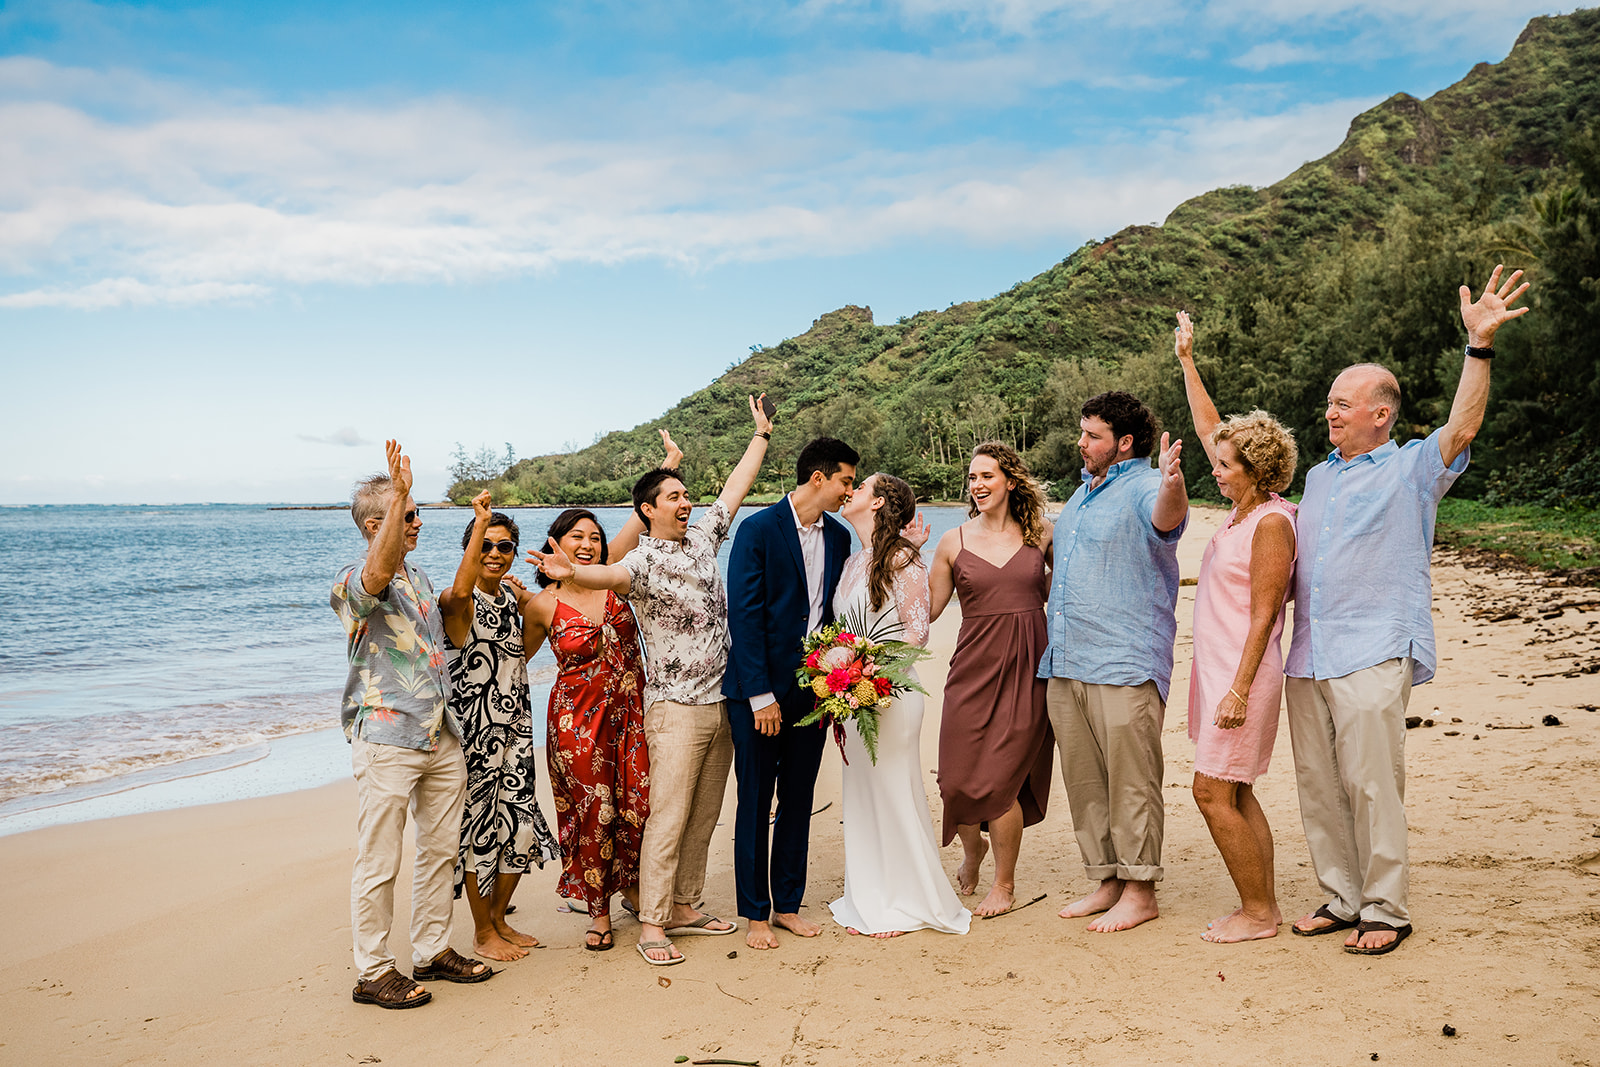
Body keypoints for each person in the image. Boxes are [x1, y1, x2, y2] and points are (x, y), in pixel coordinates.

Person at [1286, 266, 1530, 956]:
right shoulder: (1317, 476)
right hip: (1309, 652)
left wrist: (1478, 345)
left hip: (1373, 646)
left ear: (1380, 413)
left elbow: (1465, 423)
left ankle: (1386, 908)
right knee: (1319, 785)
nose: (1330, 413)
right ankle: (1341, 895)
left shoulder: (1414, 467)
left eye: (1343, 404)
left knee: (1371, 782)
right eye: (1329, 403)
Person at [529, 395, 774, 966]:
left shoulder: (706, 537)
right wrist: (571, 571)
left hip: (723, 701)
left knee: (705, 811)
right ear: (648, 510)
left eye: (687, 495)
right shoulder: (641, 562)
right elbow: (608, 573)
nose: (687, 502)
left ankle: (686, 903)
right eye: (675, 497)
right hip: (673, 708)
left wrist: (759, 438)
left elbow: (734, 491)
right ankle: (654, 923)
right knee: (667, 814)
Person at [330, 440, 492, 1010]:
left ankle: (431, 950)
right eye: (409, 513)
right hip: (386, 734)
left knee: (440, 849)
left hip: (439, 731)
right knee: (380, 857)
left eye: (416, 511)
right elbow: (375, 575)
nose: (419, 521)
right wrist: (398, 491)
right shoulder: (354, 578)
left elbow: (459, 599)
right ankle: (374, 970)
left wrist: (479, 531)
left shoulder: (419, 578)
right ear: (378, 523)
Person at [520, 430, 682, 951]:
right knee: (593, 813)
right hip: (577, 723)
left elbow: (640, 517)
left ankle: (636, 890)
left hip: (632, 713)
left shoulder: (611, 576)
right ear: (556, 545)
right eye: (576, 538)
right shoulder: (542, 605)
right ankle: (598, 911)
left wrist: (669, 463)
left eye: (594, 537)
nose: (588, 545)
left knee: (641, 803)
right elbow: (516, 657)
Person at [1039, 393, 1189, 933]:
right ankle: (1107, 880)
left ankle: (1140, 889)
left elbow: (1166, 518)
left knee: (1132, 780)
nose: (1081, 442)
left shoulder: (1148, 487)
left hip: (1125, 660)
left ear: (1124, 443)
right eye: (1082, 432)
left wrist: (1174, 485)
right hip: (1068, 659)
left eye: (1092, 435)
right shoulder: (1081, 495)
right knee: (1085, 782)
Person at [1173, 311, 1299, 944]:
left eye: (1226, 465)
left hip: (1243, 676)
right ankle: (1263, 904)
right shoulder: (1241, 513)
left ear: (1255, 468)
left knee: (1211, 792)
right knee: (1238, 791)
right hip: (1221, 672)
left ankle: (1257, 912)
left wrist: (1239, 689)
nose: (1215, 470)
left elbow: (1266, 615)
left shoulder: (1271, 524)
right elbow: (1208, 428)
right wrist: (1188, 361)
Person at [723, 436, 859, 951]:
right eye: (846, 480)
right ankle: (754, 913)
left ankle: (786, 906)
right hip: (757, 694)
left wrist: (839, 682)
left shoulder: (841, 538)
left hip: (814, 693)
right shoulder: (757, 530)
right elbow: (745, 615)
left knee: (798, 799)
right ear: (818, 478)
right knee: (755, 802)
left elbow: (835, 613)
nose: (849, 490)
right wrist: (760, 696)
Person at [829, 473, 971, 938]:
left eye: (861, 487)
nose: (851, 492)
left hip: (890, 692)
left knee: (893, 791)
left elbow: (917, 630)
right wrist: (836, 664)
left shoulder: (903, 560)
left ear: (879, 503)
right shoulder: (855, 562)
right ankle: (871, 895)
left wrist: (867, 665)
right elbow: (845, 628)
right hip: (855, 697)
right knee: (865, 795)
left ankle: (906, 901)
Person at [926, 442, 1054, 918]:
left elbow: (1066, 594)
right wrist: (896, 560)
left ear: (1010, 481)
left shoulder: (1040, 533)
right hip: (972, 670)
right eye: (973, 478)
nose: (977, 486)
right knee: (956, 780)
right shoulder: (953, 541)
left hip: (1028, 671)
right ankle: (972, 849)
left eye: (987, 476)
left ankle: (1004, 884)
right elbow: (928, 612)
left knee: (1002, 782)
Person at [439, 493, 559, 962]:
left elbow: (534, 638)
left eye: (504, 546)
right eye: (483, 544)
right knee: (481, 829)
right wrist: (479, 521)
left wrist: (530, 594)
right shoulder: (454, 602)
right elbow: (462, 593)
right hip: (474, 733)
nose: (494, 553)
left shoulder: (511, 596)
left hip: (517, 728)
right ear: (469, 550)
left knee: (520, 824)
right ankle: (481, 930)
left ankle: (500, 918)